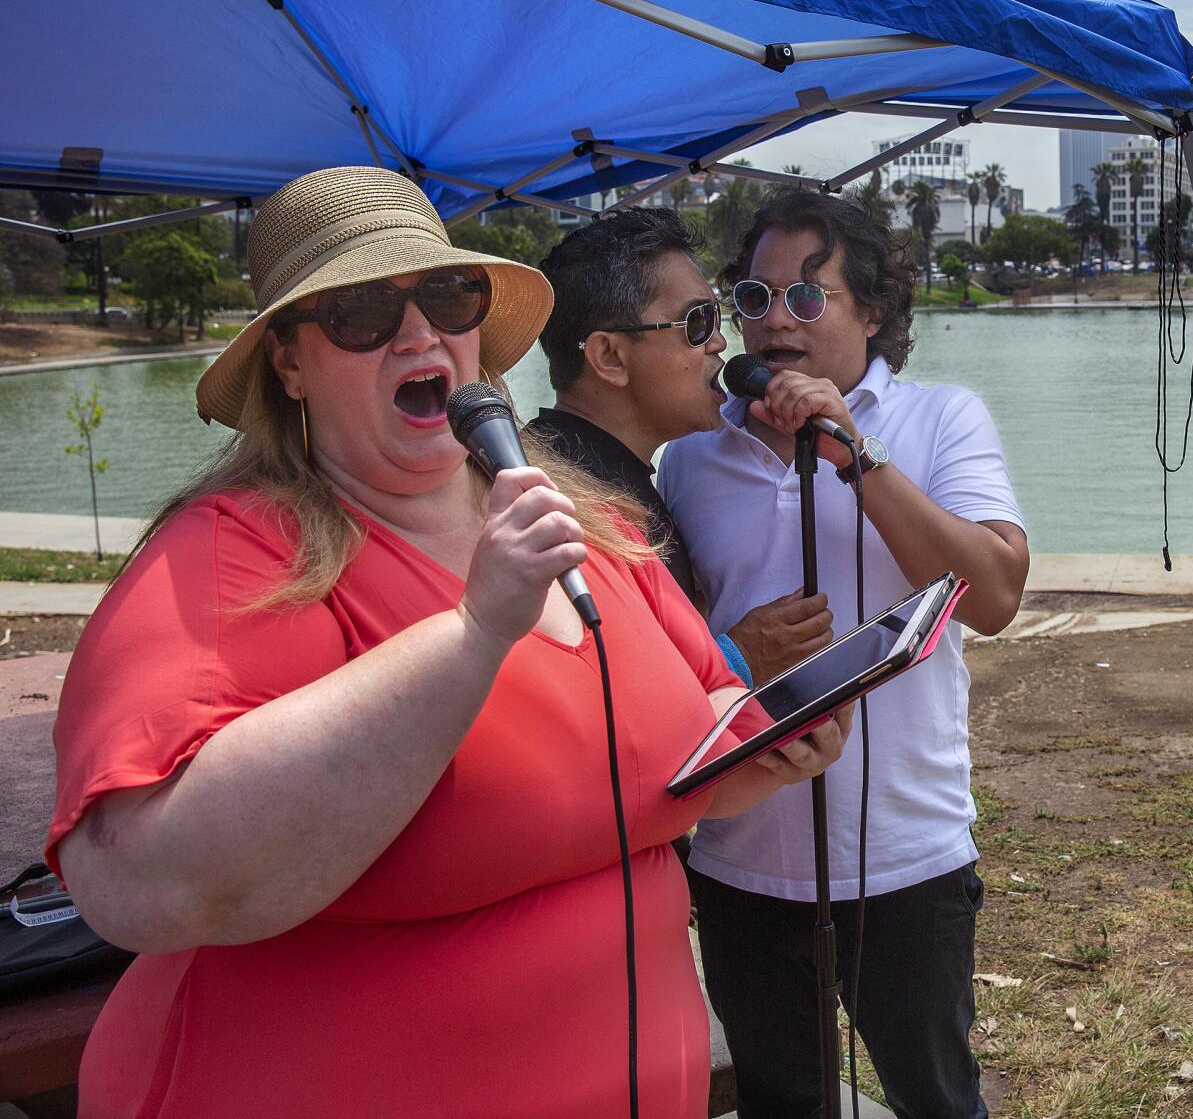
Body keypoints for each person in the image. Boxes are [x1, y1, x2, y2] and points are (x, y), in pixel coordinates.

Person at [44, 167, 850, 1118]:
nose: (420, 333)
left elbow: (698, 719)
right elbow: (139, 880)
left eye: (444, 295)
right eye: (359, 313)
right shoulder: (231, 553)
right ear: (290, 364)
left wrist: (768, 738)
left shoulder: (588, 521)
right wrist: (472, 634)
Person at [659, 188, 1030, 1118]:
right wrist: (730, 646)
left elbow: (993, 597)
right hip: (739, 861)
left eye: (809, 298)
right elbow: (666, 647)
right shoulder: (693, 455)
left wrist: (854, 455)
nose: (776, 319)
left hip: (904, 860)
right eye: (754, 298)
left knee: (937, 1099)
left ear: (873, 311)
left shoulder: (941, 419)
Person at [527, 208, 832, 683]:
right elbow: (595, 693)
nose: (718, 342)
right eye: (696, 322)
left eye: (716, 318)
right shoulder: (555, 505)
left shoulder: (596, 474)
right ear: (610, 357)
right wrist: (739, 658)